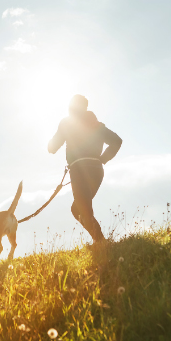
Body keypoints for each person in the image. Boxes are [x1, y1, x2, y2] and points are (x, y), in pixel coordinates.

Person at [48, 95, 122, 244]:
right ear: (86, 106)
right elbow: (117, 141)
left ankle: (102, 243)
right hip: (96, 169)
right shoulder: (96, 124)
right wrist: (102, 159)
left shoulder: (67, 123)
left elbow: (52, 148)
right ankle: (100, 241)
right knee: (78, 209)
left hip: (79, 169)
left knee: (82, 208)